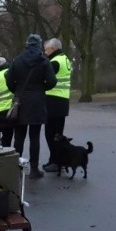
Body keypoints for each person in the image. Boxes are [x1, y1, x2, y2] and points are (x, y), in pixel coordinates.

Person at [6, 34, 57, 179]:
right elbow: (52, 81)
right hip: (37, 101)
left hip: (20, 101)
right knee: (35, 137)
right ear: (39, 45)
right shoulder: (44, 61)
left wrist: (17, 90)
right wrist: (41, 89)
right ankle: (34, 169)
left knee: (19, 136)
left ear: (27, 45)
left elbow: (9, 80)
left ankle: (16, 168)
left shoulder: (17, 60)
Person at [42, 38, 72, 172]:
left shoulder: (54, 62)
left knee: (50, 134)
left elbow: (45, 79)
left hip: (53, 101)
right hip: (63, 100)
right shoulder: (65, 59)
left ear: (53, 49)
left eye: (46, 50)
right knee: (58, 134)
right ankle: (58, 160)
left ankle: (56, 161)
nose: (45, 52)